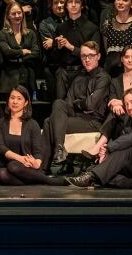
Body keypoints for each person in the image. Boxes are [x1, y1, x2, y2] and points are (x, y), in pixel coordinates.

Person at [66, 88, 132, 190]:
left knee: (125, 153)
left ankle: (91, 177)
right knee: (106, 172)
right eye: (126, 104)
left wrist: (108, 148)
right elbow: (123, 137)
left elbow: (130, 139)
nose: (129, 107)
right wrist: (106, 154)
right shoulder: (131, 118)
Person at [41, 41, 110, 172]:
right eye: (84, 56)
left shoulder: (103, 77)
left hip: (93, 121)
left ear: (98, 56)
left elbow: (91, 105)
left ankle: (44, 167)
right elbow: (67, 104)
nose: (87, 59)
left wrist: (78, 103)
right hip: (77, 116)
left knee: (48, 122)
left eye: (91, 56)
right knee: (58, 103)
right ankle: (59, 148)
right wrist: (80, 104)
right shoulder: (79, 78)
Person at [83, 45, 132, 160]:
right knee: (114, 112)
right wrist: (114, 103)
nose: (130, 60)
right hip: (120, 119)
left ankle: (99, 147)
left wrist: (120, 103)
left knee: (115, 113)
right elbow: (111, 99)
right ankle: (103, 153)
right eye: (126, 57)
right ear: (121, 59)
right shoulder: (115, 81)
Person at [0, 86, 67, 186]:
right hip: (4, 166)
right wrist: (21, 159)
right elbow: (1, 148)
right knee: (3, 173)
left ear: (26, 102)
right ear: (8, 100)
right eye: (12, 98)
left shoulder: (32, 124)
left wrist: (36, 163)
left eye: (19, 99)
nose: (15, 102)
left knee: (13, 166)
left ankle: (45, 180)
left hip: (26, 167)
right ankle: (42, 180)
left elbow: (38, 151)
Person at [53, 0, 101, 99]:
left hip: (83, 72)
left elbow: (94, 56)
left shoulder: (91, 28)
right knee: (60, 104)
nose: (73, 5)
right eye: (70, 1)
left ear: (82, 5)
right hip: (63, 72)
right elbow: (53, 57)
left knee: (78, 106)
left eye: (77, 2)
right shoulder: (60, 28)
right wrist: (59, 48)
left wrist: (71, 47)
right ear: (66, 5)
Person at [0, 2, 40, 96]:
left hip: (28, 78)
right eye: (13, 13)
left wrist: (16, 56)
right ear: (8, 16)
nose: (17, 16)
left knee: (28, 108)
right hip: (9, 78)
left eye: (19, 13)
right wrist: (23, 51)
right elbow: (6, 52)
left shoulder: (31, 33)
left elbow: (36, 53)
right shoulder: (3, 33)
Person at [38, 0, 67, 101]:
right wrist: (58, 43)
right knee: (55, 103)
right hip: (52, 67)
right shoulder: (45, 24)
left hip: (71, 67)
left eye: (62, 2)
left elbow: (75, 41)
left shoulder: (73, 21)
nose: (59, 5)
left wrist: (53, 42)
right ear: (51, 5)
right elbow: (47, 47)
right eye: (56, 3)